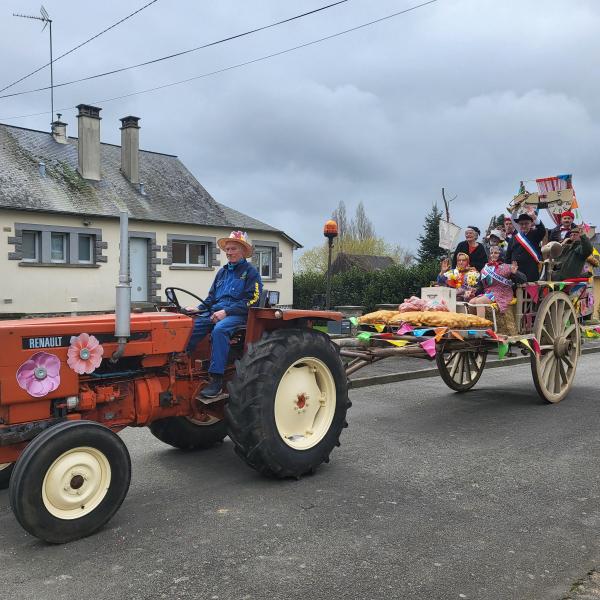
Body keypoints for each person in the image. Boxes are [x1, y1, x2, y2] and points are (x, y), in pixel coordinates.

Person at [186, 231, 263, 398]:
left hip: (239, 314)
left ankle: (216, 380)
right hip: (216, 310)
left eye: (233, 249)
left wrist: (227, 312)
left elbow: (253, 300)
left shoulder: (251, 273)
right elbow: (211, 297)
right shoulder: (222, 272)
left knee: (220, 330)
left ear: (243, 251)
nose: (228, 252)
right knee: (190, 324)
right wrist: (198, 309)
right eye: (227, 249)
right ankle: (181, 362)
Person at [469, 246, 526, 313]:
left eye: (496, 253)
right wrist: (474, 291)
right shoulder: (485, 268)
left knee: (479, 301)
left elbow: (524, 279)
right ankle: (474, 322)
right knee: (471, 302)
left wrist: (516, 273)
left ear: (501, 254)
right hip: (488, 293)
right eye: (491, 253)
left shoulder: (507, 267)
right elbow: (481, 285)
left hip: (502, 293)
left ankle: (483, 323)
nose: (493, 255)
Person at [504, 211, 546, 282]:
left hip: (531, 270)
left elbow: (542, 230)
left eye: (526, 223)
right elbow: (508, 256)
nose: (523, 226)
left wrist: (534, 217)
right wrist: (508, 269)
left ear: (531, 224)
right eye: (521, 224)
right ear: (518, 225)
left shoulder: (535, 234)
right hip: (516, 271)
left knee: (531, 291)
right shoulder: (513, 238)